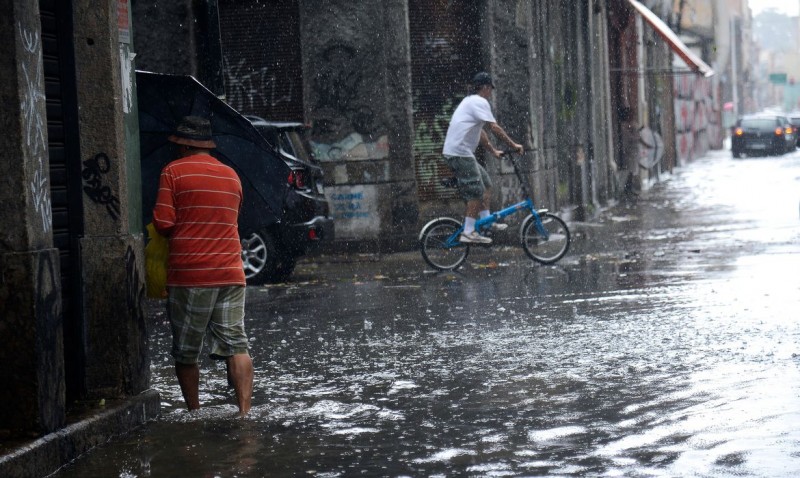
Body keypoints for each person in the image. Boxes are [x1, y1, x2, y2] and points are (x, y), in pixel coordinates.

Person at [152, 115, 254, 416]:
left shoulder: (172, 172)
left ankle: (194, 413)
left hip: (191, 274)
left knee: (187, 350)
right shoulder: (231, 176)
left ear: (183, 145)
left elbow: (164, 222)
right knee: (236, 343)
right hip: (232, 272)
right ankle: (245, 413)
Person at [443, 71, 524, 244]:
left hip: (460, 153)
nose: (491, 93)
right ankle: (468, 231)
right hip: (459, 153)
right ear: (485, 88)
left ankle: (486, 222)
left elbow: (480, 132)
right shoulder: (479, 102)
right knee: (476, 191)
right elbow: (494, 127)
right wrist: (513, 145)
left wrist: (493, 151)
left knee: (486, 184)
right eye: (490, 89)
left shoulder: (469, 101)